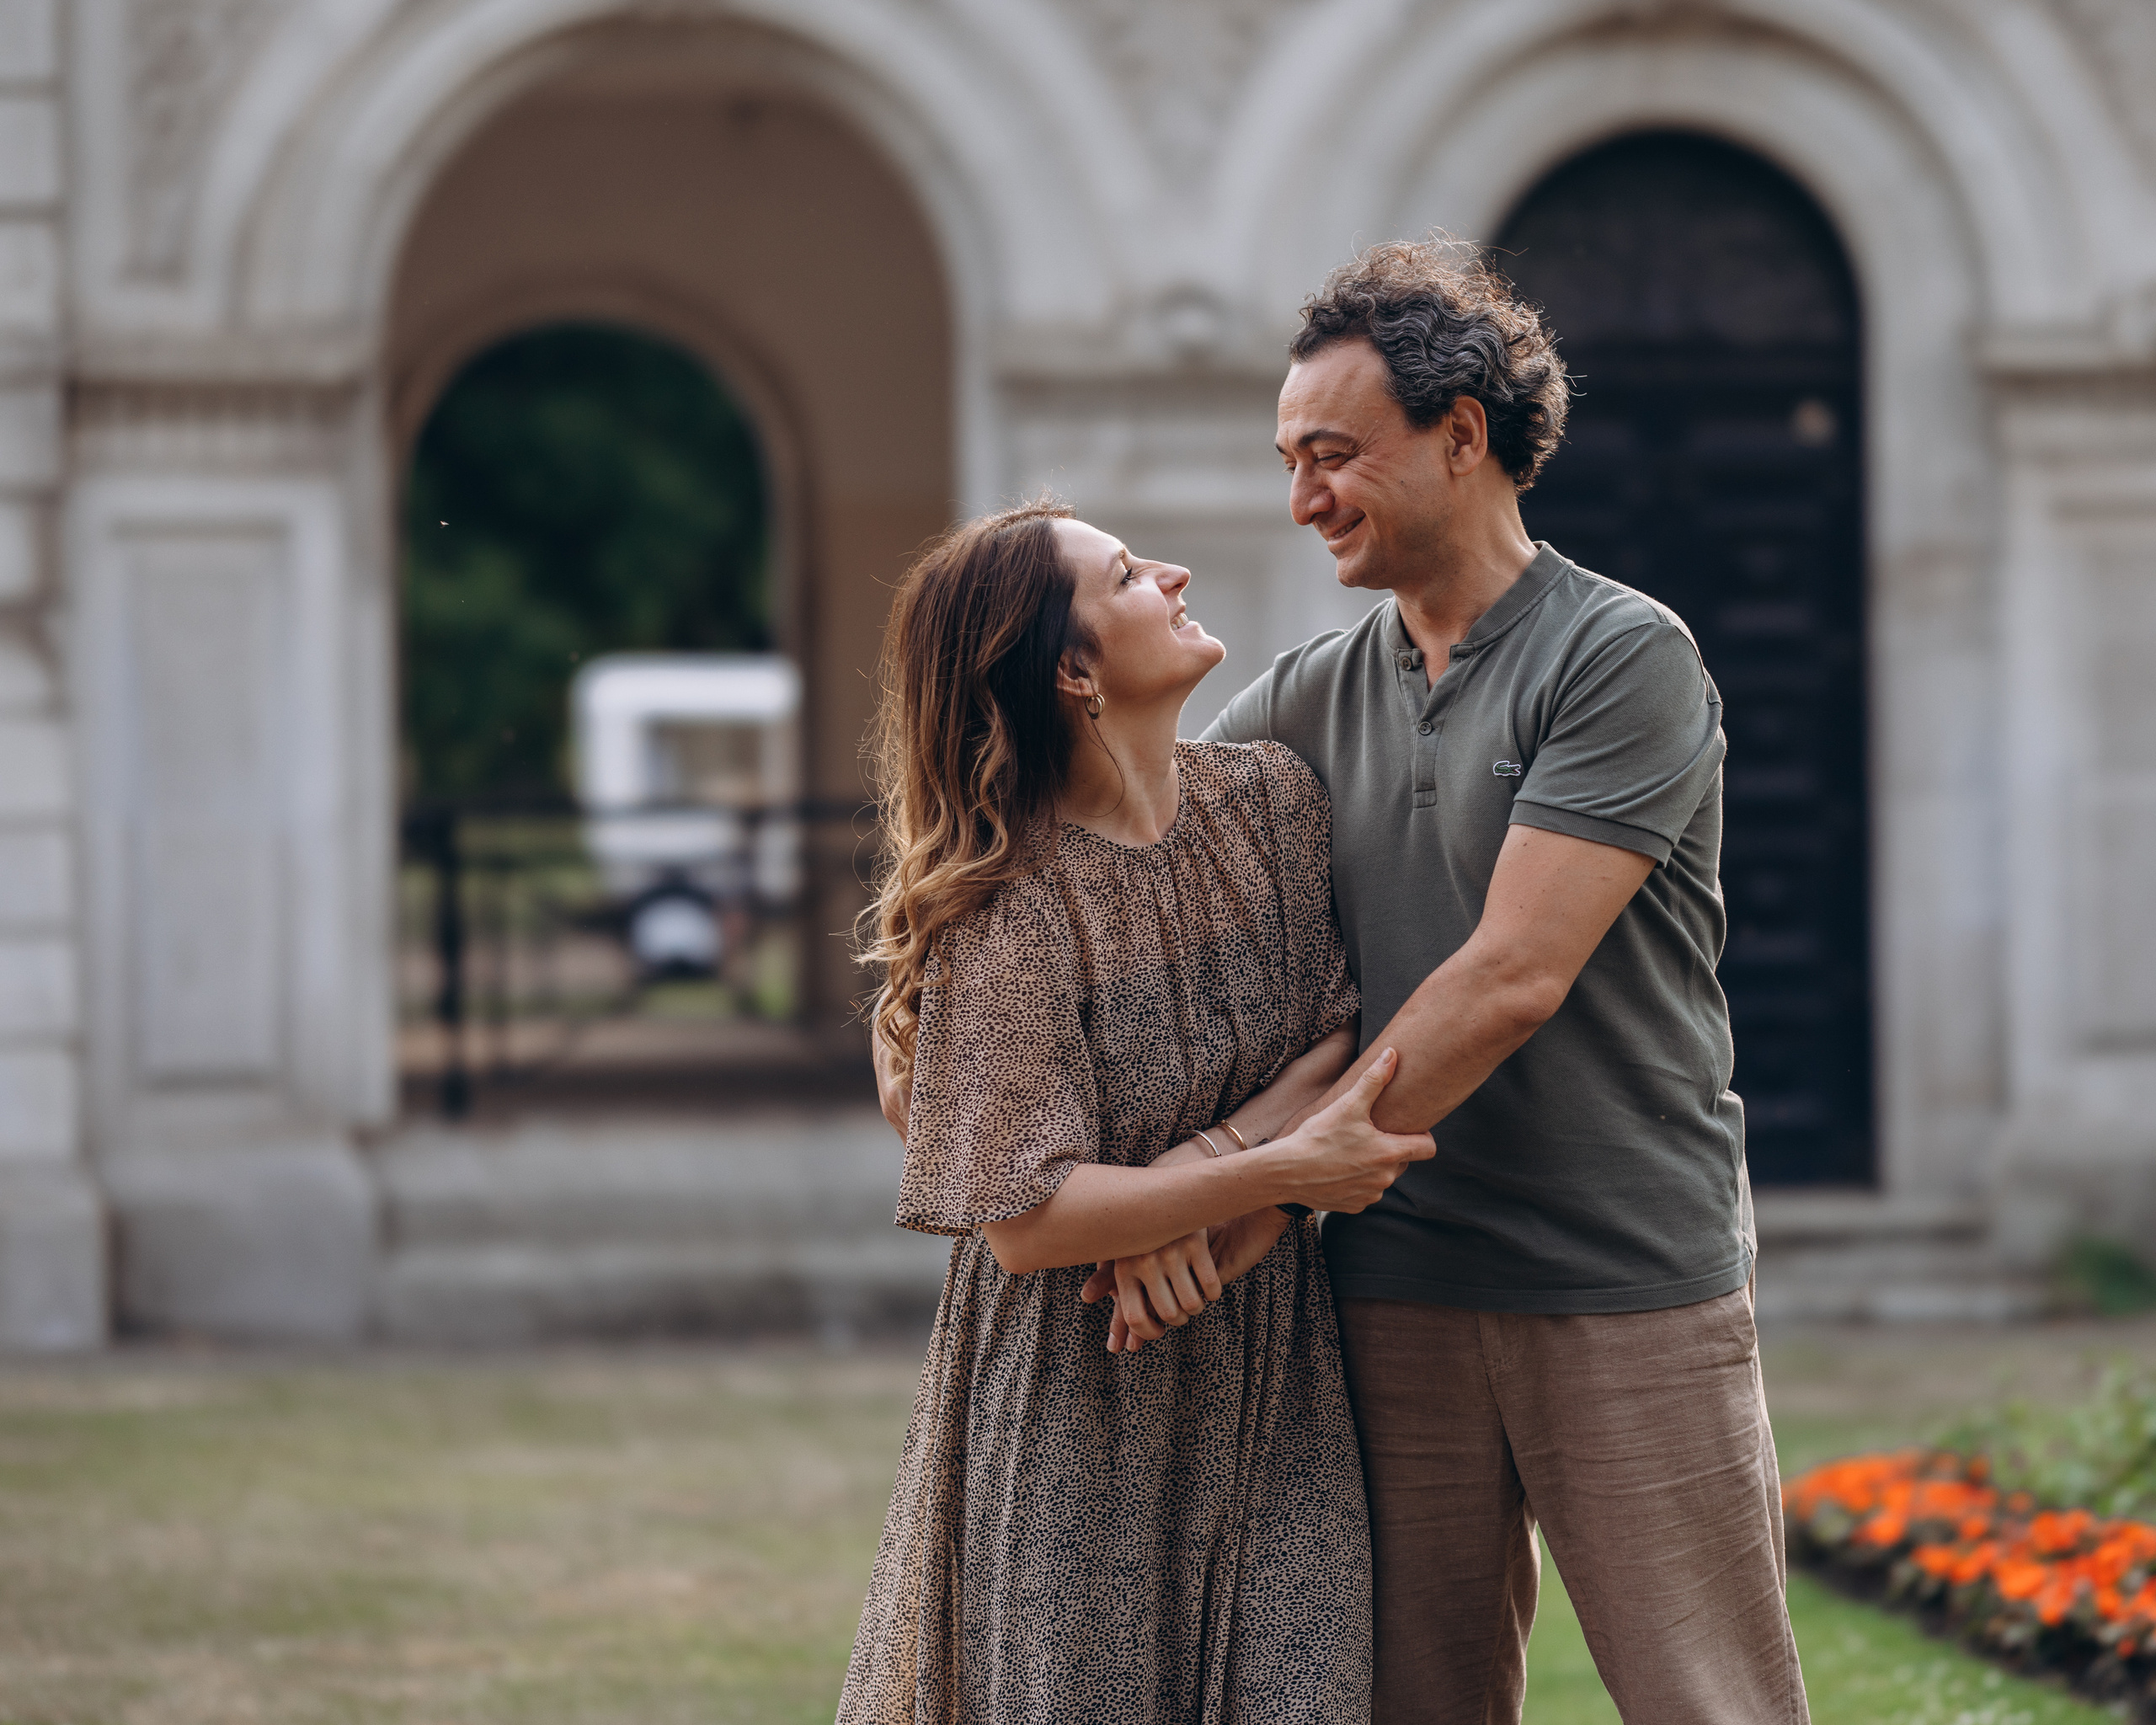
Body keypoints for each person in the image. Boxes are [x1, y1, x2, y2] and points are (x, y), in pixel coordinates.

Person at [1190, 238, 1811, 1722]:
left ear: (1462, 436)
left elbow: (1515, 974)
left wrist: (1264, 1187)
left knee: (1705, 1702)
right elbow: (1128, 875)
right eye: (1288, 459)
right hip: (1392, 1286)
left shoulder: (1620, 655)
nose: (1302, 499)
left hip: (1620, 1278)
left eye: (1334, 455)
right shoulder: (1301, 695)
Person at [839, 499, 1435, 1725]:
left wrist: (1217, 1173)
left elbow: (1339, 1026)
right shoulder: (1006, 913)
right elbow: (1030, 1219)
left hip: (1278, 1381)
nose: (1171, 573)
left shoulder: (1271, 804)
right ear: (1071, 668)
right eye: (1125, 574)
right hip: (1076, 1398)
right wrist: (1277, 1173)